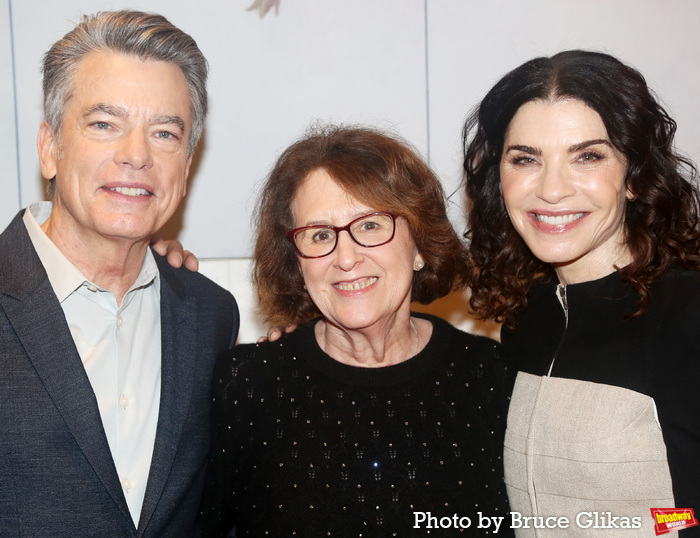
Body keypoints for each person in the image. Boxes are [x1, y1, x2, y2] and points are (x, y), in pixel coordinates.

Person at [201, 125, 515, 537]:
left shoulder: (494, 379)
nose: (345, 258)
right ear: (297, 261)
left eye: (370, 225)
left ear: (419, 244)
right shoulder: (247, 385)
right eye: (319, 235)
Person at [0, 10, 239, 536]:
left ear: (187, 164)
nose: (136, 156)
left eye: (164, 133)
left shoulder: (210, 316)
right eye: (105, 124)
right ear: (49, 147)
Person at [463, 49, 700, 536]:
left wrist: (651, 524)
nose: (552, 189)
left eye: (587, 156)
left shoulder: (689, 311)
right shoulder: (526, 320)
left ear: (633, 174)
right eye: (525, 159)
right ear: (498, 178)